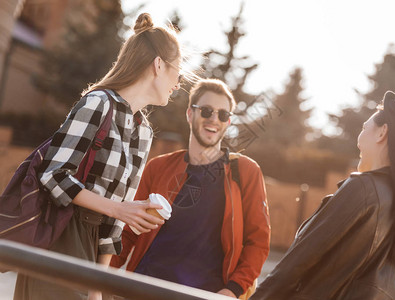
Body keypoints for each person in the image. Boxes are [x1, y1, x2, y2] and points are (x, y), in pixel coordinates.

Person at [14, 13, 185, 300]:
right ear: (158, 65)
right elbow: (53, 175)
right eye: (177, 71)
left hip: (93, 250)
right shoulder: (97, 103)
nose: (179, 83)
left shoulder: (144, 133)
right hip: (62, 236)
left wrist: (97, 289)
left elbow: (113, 225)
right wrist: (119, 209)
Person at [250, 91, 395, 300]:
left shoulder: (363, 189)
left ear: (381, 133)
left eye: (364, 128)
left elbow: (299, 261)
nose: (359, 139)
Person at [110, 79, 271, 299]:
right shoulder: (158, 167)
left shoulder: (245, 171)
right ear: (189, 114)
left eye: (222, 114)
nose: (214, 119)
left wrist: (232, 290)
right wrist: (96, 278)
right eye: (206, 111)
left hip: (205, 295)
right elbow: (128, 232)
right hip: (144, 289)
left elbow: (258, 242)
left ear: (228, 121)